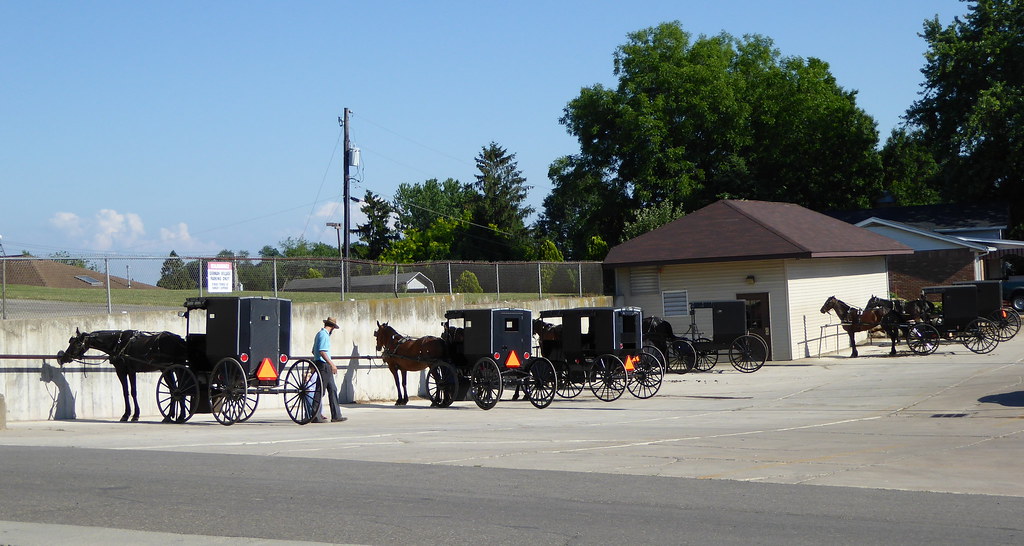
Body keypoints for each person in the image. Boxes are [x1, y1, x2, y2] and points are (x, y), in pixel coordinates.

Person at [311, 317, 347, 422]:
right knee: (320, 390)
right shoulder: (324, 335)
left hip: (322, 364)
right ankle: (315, 415)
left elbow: (314, 351)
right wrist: (332, 364)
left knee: (333, 389)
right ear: (332, 328)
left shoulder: (319, 334)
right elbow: (322, 351)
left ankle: (336, 415)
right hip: (324, 365)